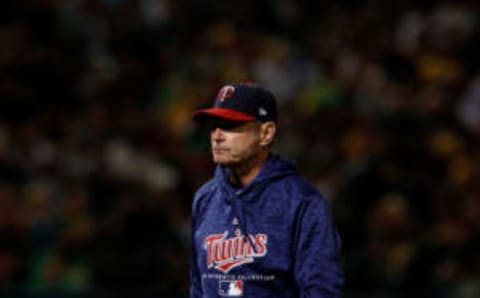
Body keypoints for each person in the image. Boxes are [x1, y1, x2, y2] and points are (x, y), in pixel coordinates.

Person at [190, 83, 344, 297]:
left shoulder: (302, 202)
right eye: (214, 126)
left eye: (231, 126)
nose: (217, 136)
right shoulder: (205, 198)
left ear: (266, 133)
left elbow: (322, 290)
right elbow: (198, 287)